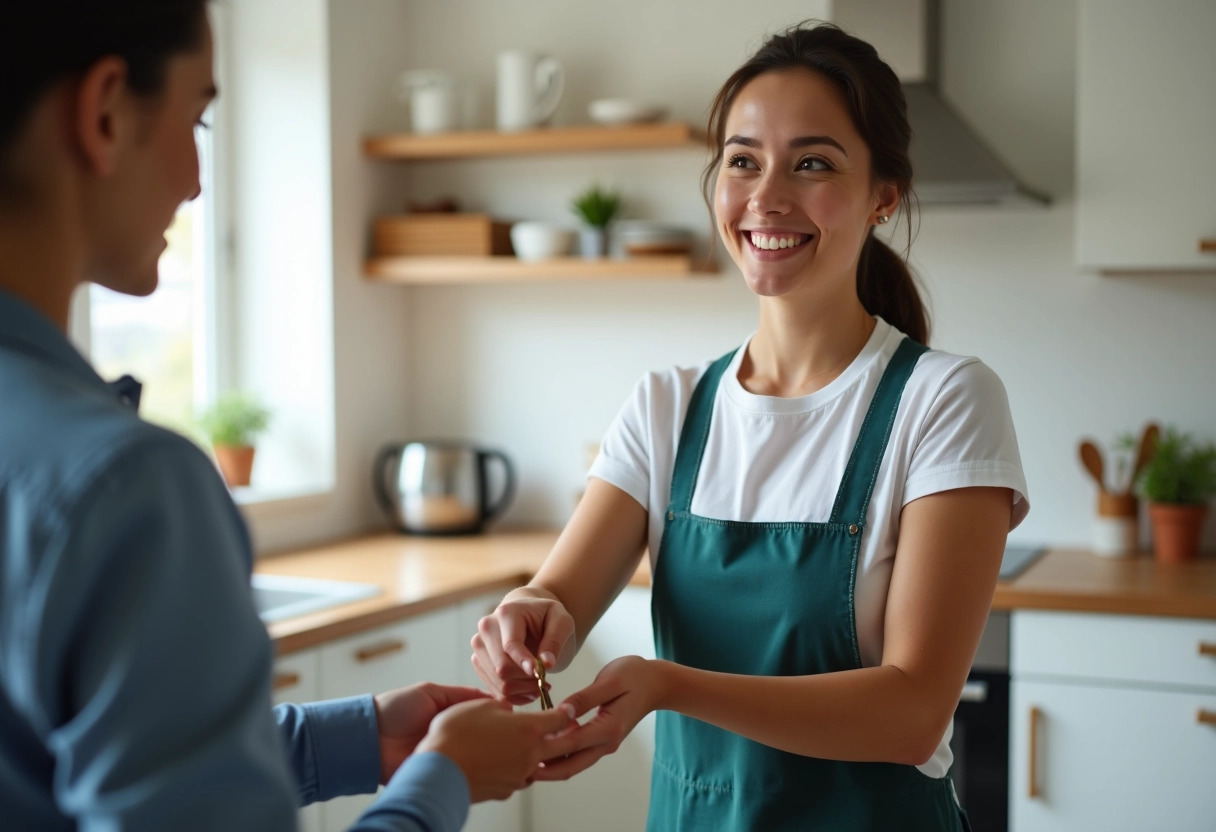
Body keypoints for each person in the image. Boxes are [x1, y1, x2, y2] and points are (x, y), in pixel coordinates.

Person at [0, 3, 577, 830]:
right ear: (103, 113)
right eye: (198, 118)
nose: (200, 179)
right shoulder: (124, 491)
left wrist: (360, 737)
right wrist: (444, 779)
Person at [471, 21, 1029, 832]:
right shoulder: (668, 406)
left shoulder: (943, 401)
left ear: (884, 195)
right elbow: (561, 592)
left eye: (813, 163)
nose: (767, 197)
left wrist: (672, 685)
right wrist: (527, 615)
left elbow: (912, 711)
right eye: (742, 161)